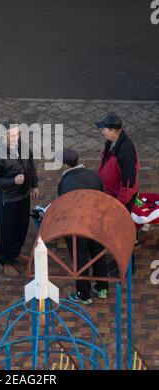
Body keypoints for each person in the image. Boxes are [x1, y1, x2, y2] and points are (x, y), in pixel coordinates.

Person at [0, 122, 39, 277]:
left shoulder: (21, 145)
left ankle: (16, 253)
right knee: (8, 230)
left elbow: (30, 165)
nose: (16, 138)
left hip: (23, 195)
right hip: (8, 199)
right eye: (12, 135)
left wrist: (34, 185)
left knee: (22, 226)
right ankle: (5, 261)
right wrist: (12, 181)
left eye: (17, 134)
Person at [57, 148, 108, 305]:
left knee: (80, 259)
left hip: (77, 228)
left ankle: (83, 295)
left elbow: (63, 207)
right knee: (98, 254)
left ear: (65, 164)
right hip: (96, 224)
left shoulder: (65, 183)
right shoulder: (94, 176)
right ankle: (102, 288)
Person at [96, 113, 140, 275]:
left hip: (121, 200)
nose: (103, 132)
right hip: (113, 195)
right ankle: (120, 260)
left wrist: (118, 205)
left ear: (115, 130)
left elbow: (128, 183)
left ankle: (127, 265)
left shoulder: (125, 153)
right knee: (117, 231)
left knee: (122, 232)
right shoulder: (112, 142)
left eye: (105, 129)